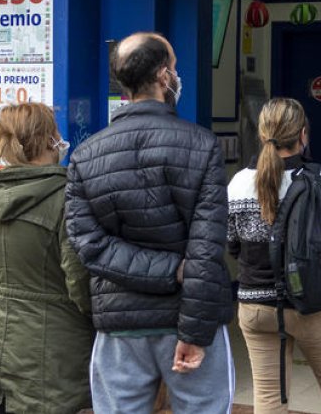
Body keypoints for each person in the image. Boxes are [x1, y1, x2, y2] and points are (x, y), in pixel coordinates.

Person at [65, 32, 234, 413]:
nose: (177, 75)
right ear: (163, 76)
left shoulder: (85, 156)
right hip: (187, 321)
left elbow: (88, 245)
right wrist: (178, 283)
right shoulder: (201, 145)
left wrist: (167, 271)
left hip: (119, 325)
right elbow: (206, 250)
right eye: (174, 68)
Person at [0, 102, 94, 414]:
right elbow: (79, 281)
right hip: (56, 355)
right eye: (56, 133)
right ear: (47, 140)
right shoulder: (66, 198)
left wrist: (1, 298)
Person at [227, 98, 321, 414]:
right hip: (313, 306)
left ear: (262, 135)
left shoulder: (238, 184)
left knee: (269, 397)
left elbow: (232, 245)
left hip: (256, 306)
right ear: (303, 134)